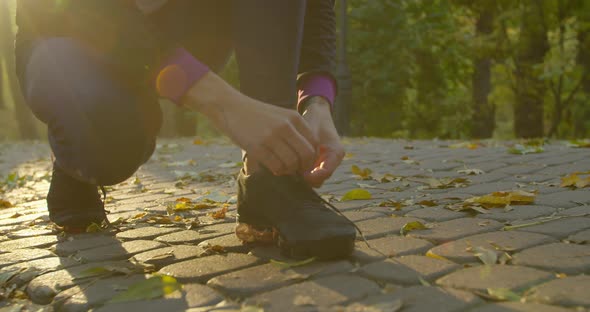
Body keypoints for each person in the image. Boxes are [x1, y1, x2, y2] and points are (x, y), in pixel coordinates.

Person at [15, 0, 355, 260]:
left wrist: (316, 97)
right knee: (107, 132)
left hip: (189, 24)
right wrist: (226, 103)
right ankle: (75, 155)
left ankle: (268, 173)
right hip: (69, 32)